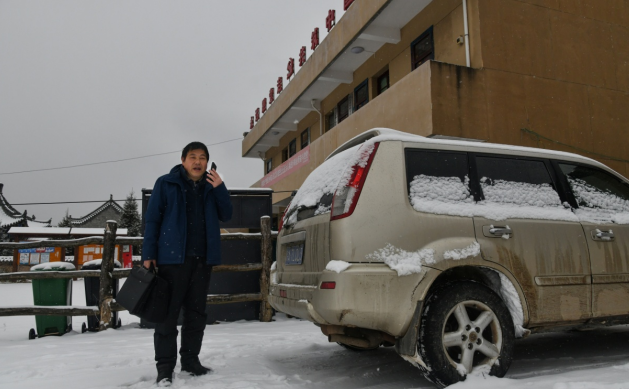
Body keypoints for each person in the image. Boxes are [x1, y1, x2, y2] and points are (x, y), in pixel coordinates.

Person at [142, 141, 232, 385]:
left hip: (202, 261)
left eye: (203, 157)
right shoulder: (166, 183)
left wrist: (221, 188)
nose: (198, 162)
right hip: (172, 261)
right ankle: (164, 368)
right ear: (183, 160)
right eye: (193, 157)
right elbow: (152, 220)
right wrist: (148, 254)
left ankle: (191, 361)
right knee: (167, 316)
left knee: (196, 314)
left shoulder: (213, 187)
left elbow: (227, 214)